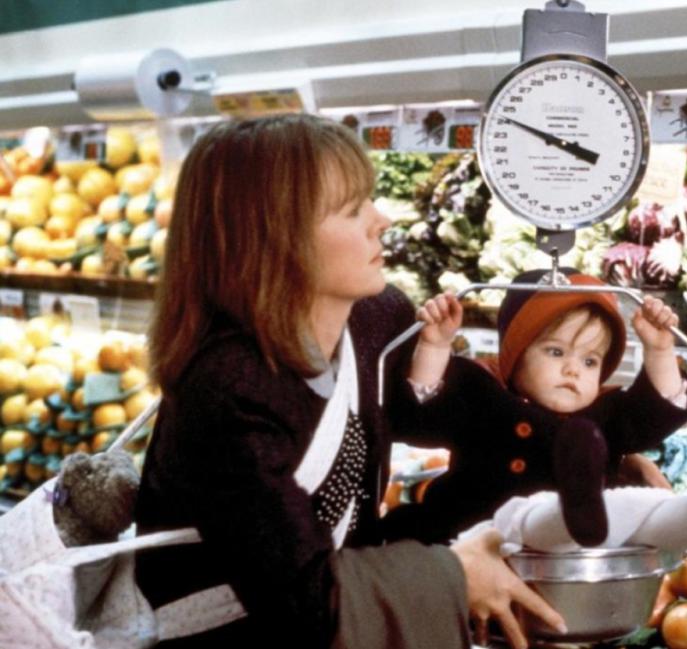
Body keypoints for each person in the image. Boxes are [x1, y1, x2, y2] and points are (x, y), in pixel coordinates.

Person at [134, 114, 564, 649]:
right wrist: (455, 575)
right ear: (276, 237)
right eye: (351, 208)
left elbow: (464, 416)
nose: (381, 219)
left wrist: (596, 447)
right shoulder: (226, 390)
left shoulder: (375, 318)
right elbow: (305, 600)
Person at [383, 269, 687, 571]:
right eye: (555, 351)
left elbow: (654, 412)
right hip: (489, 536)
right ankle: (577, 508)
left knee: (640, 510)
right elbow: (421, 413)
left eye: (590, 361)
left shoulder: (605, 413)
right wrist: (435, 345)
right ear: (515, 354)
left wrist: (660, 350)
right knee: (539, 518)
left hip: (583, 557)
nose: (572, 369)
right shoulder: (483, 395)